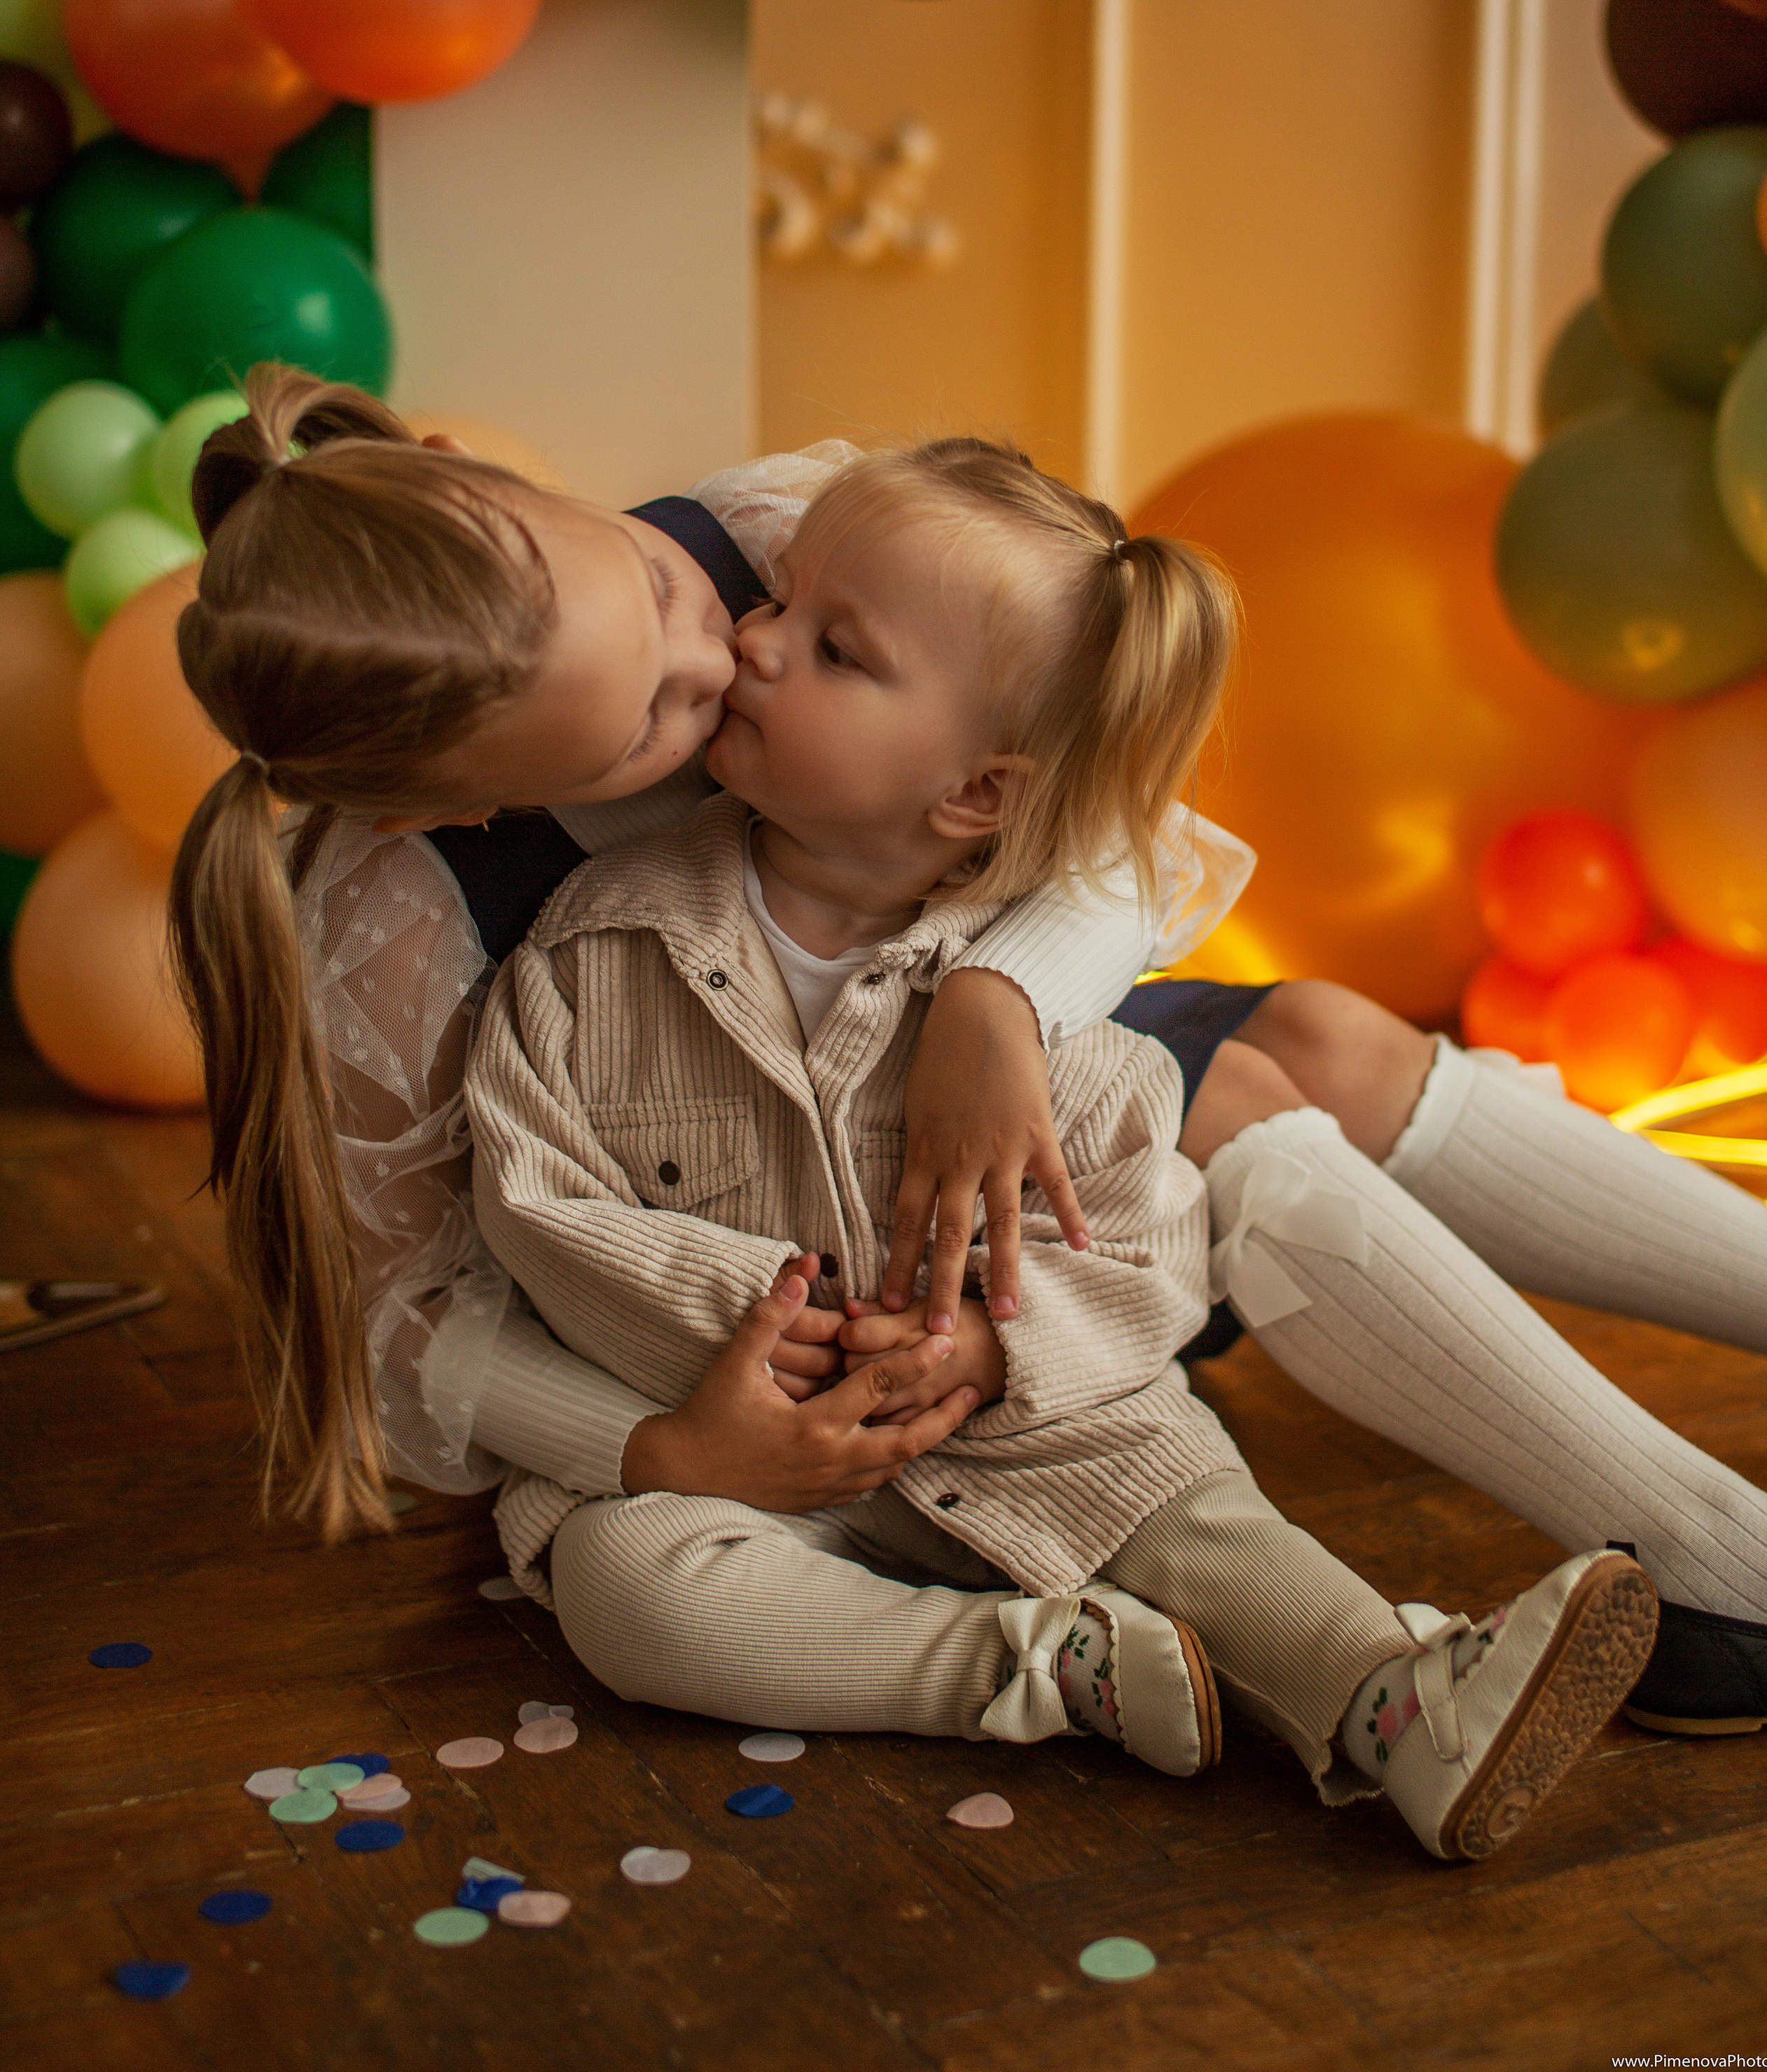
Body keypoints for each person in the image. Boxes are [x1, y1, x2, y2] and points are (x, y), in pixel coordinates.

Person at [169, 369, 1767, 1751]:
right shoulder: (390, 928)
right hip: (746, 1233)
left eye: (670, 609)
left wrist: (997, 1004)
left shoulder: (766, 539)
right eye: (641, 730)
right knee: (1254, 1114)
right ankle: (1712, 1574)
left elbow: (1103, 817)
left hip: (941, 1056)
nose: (723, 659)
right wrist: (662, 1453)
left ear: (478, 472)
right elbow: (413, 1330)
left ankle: (1734, 1487)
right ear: (437, 808)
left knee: (1312, 1044)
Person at [463, 431, 1663, 1863]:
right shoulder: (595, 950)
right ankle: (1035, 1669)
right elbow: (537, 1202)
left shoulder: (1045, 1027)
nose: (756, 641)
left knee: (1203, 1520)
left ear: (975, 792)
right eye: (778, 603)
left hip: (1045, 1437)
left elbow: (1153, 1249)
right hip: (745, 1455)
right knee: (622, 1585)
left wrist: (989, 1353)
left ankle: (1396, 1699)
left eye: (835, 648)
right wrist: (760, 1349)